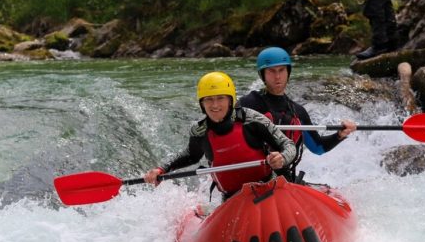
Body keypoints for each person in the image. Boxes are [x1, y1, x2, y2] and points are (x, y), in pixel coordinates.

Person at [143, 71, 296, 200]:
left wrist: (282, 158)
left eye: (220, 98)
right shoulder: (200, 131)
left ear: (230, 101)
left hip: (268, 191)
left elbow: (288, 145)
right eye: (208, 100)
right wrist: (160, 170)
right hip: (232, 199)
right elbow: (190, 156)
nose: (215, 105)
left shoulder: (251, 119)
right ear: (202, 104)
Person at [237, 47, 357, 183]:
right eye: (271, 71)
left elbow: (318, 147)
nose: (277, 76)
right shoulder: (248, 103)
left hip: (285, 181)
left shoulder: (297, 112)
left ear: (288, 72)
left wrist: (340, 134)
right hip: (252, 180)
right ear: (262, 74)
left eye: (281, 70)